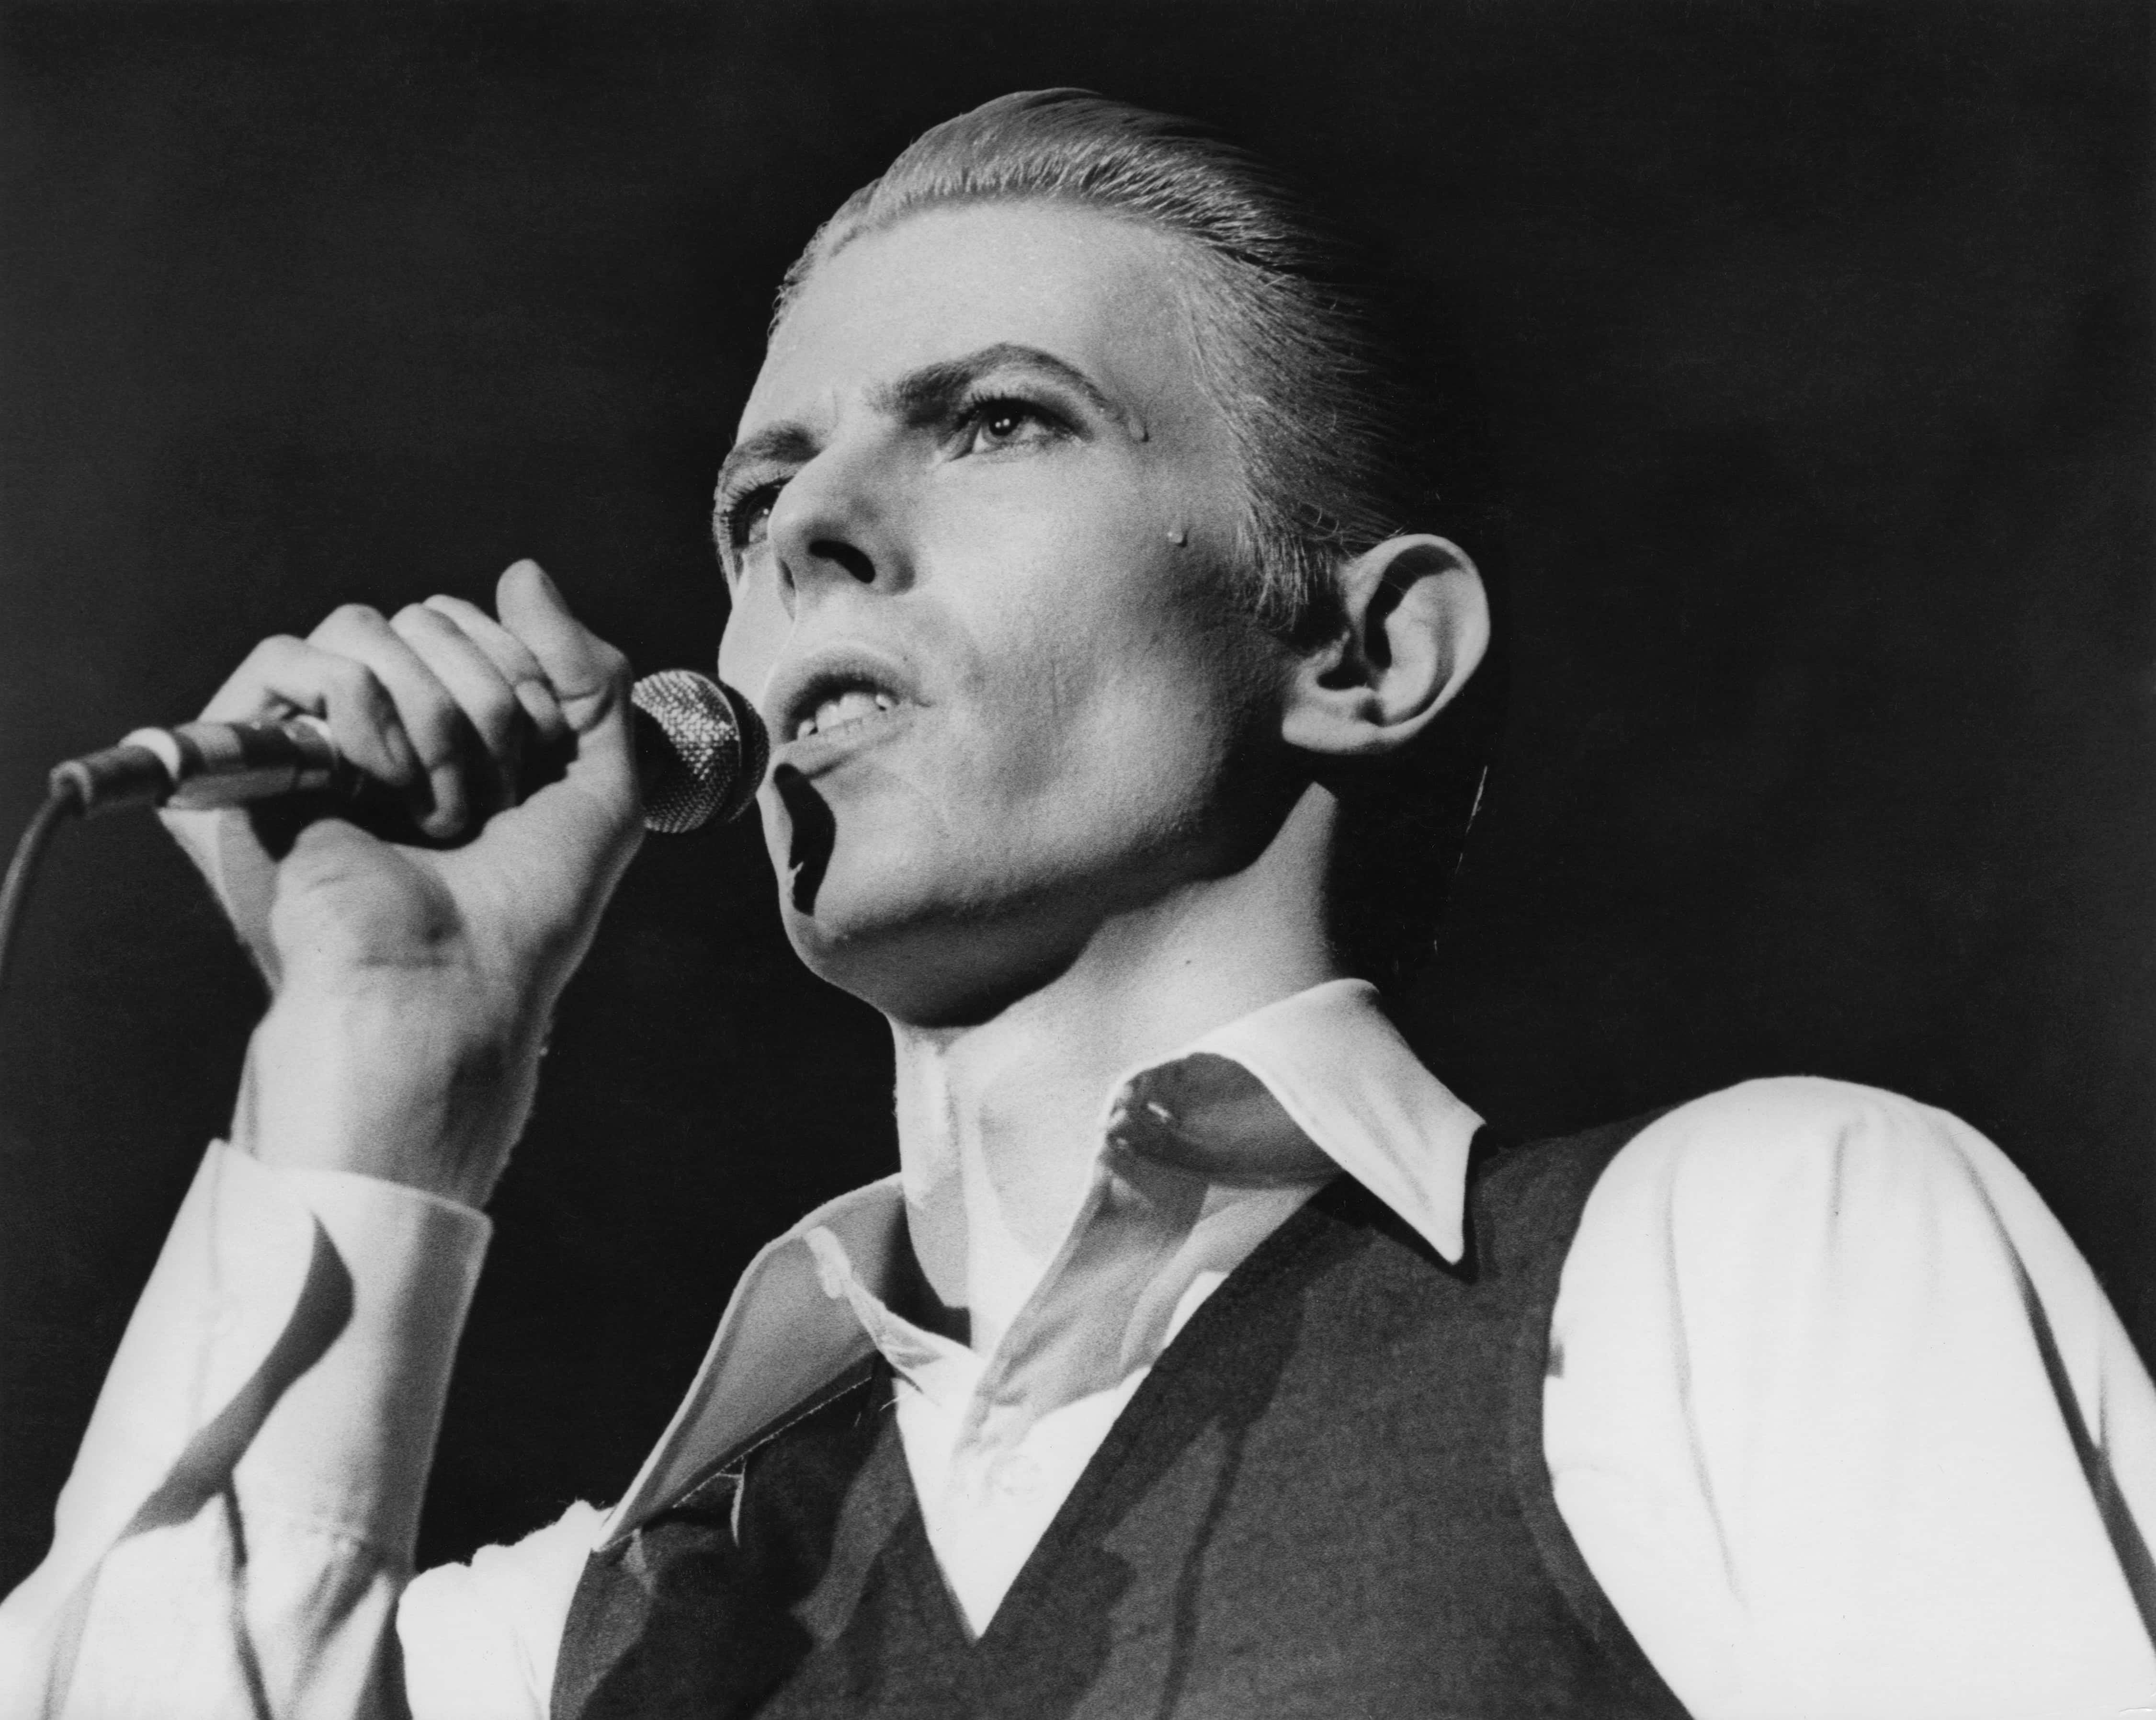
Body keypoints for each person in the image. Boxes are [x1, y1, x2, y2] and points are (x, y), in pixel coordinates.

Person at [3, 90, 2153, 1720]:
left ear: (1366, 651)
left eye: (999, 423)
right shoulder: (593, 1628)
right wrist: (383, 1067)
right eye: (759, 495)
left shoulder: (1737, 1258)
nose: (810, 531)